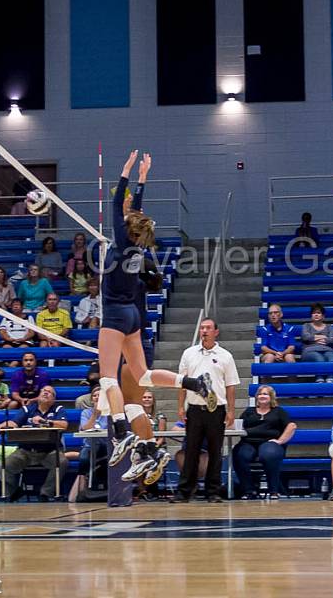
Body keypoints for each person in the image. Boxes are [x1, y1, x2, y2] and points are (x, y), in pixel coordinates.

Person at [97, 151, 214, 491]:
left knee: (108, 379)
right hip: (134, 316)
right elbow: (134, 212)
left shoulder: (121, 242)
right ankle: (193, 383)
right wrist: (144, 178)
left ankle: (121, 434)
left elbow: (122, 202)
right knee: (143, 374)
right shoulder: (140, 246)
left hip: (116, 315)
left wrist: (126, 171)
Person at [174, 317, 240, 503]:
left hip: (216, 410)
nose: (204, 331)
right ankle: (185, 492)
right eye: (202, 328)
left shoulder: (226, 356)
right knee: (191, 451)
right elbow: (181, 382)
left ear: (216, 332)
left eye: (208, 328)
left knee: (215, 452)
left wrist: (231, 410)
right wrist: (180, 406)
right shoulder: (189, 353)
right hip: (194, 409)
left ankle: (213, 492)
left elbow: (231, 386)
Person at [0, 385, 69, 502]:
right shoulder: (28, 409)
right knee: (2, 467)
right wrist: (1, 425)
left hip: (49, 451)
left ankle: (46, 493)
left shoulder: (58, 409)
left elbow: (64, 425)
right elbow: (14, 423)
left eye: (50, 392)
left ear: (53, 399)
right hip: (25, 451)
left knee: (62, 462)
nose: (45, 393)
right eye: (43, 391)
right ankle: (14, 491)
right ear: (38, 395)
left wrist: (45, 422)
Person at [233, 385, 296, 500]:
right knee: (240, 454)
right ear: (257, 397)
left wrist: (280, 441)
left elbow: (291, 426)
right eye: (260, 394)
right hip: (249, 441)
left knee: (268, 455)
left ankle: (273, 491)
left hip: (269, 441)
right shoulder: (249, 411)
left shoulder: (279, 412)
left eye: (265, 394)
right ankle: (248, 490)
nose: (262, 396)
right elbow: (239, 425)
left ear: (271, 397)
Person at [70, 386, 108, 502]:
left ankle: (108, 489)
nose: (97, 398)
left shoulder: (109, 412)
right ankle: (82, 491)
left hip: (106, 445)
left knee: (108, 457)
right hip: (90, 445)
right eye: (94, 396)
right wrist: (95, 415)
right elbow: (85, 428)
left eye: (99, 395)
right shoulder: (86, 412)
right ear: (92, 400)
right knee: (84, 457)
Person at [301, 303, 333, 383]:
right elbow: (305, 337)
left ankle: (330, 378)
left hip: (327, 350)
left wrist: (314, 338)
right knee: (319, 358)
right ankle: (319, 378)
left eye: (318, 313)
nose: (316, 315)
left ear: (323, 316)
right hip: (310, 351)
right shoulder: (306, 326)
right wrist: (323, 337)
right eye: (314, 313)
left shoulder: (329, 327)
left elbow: (332, 339)